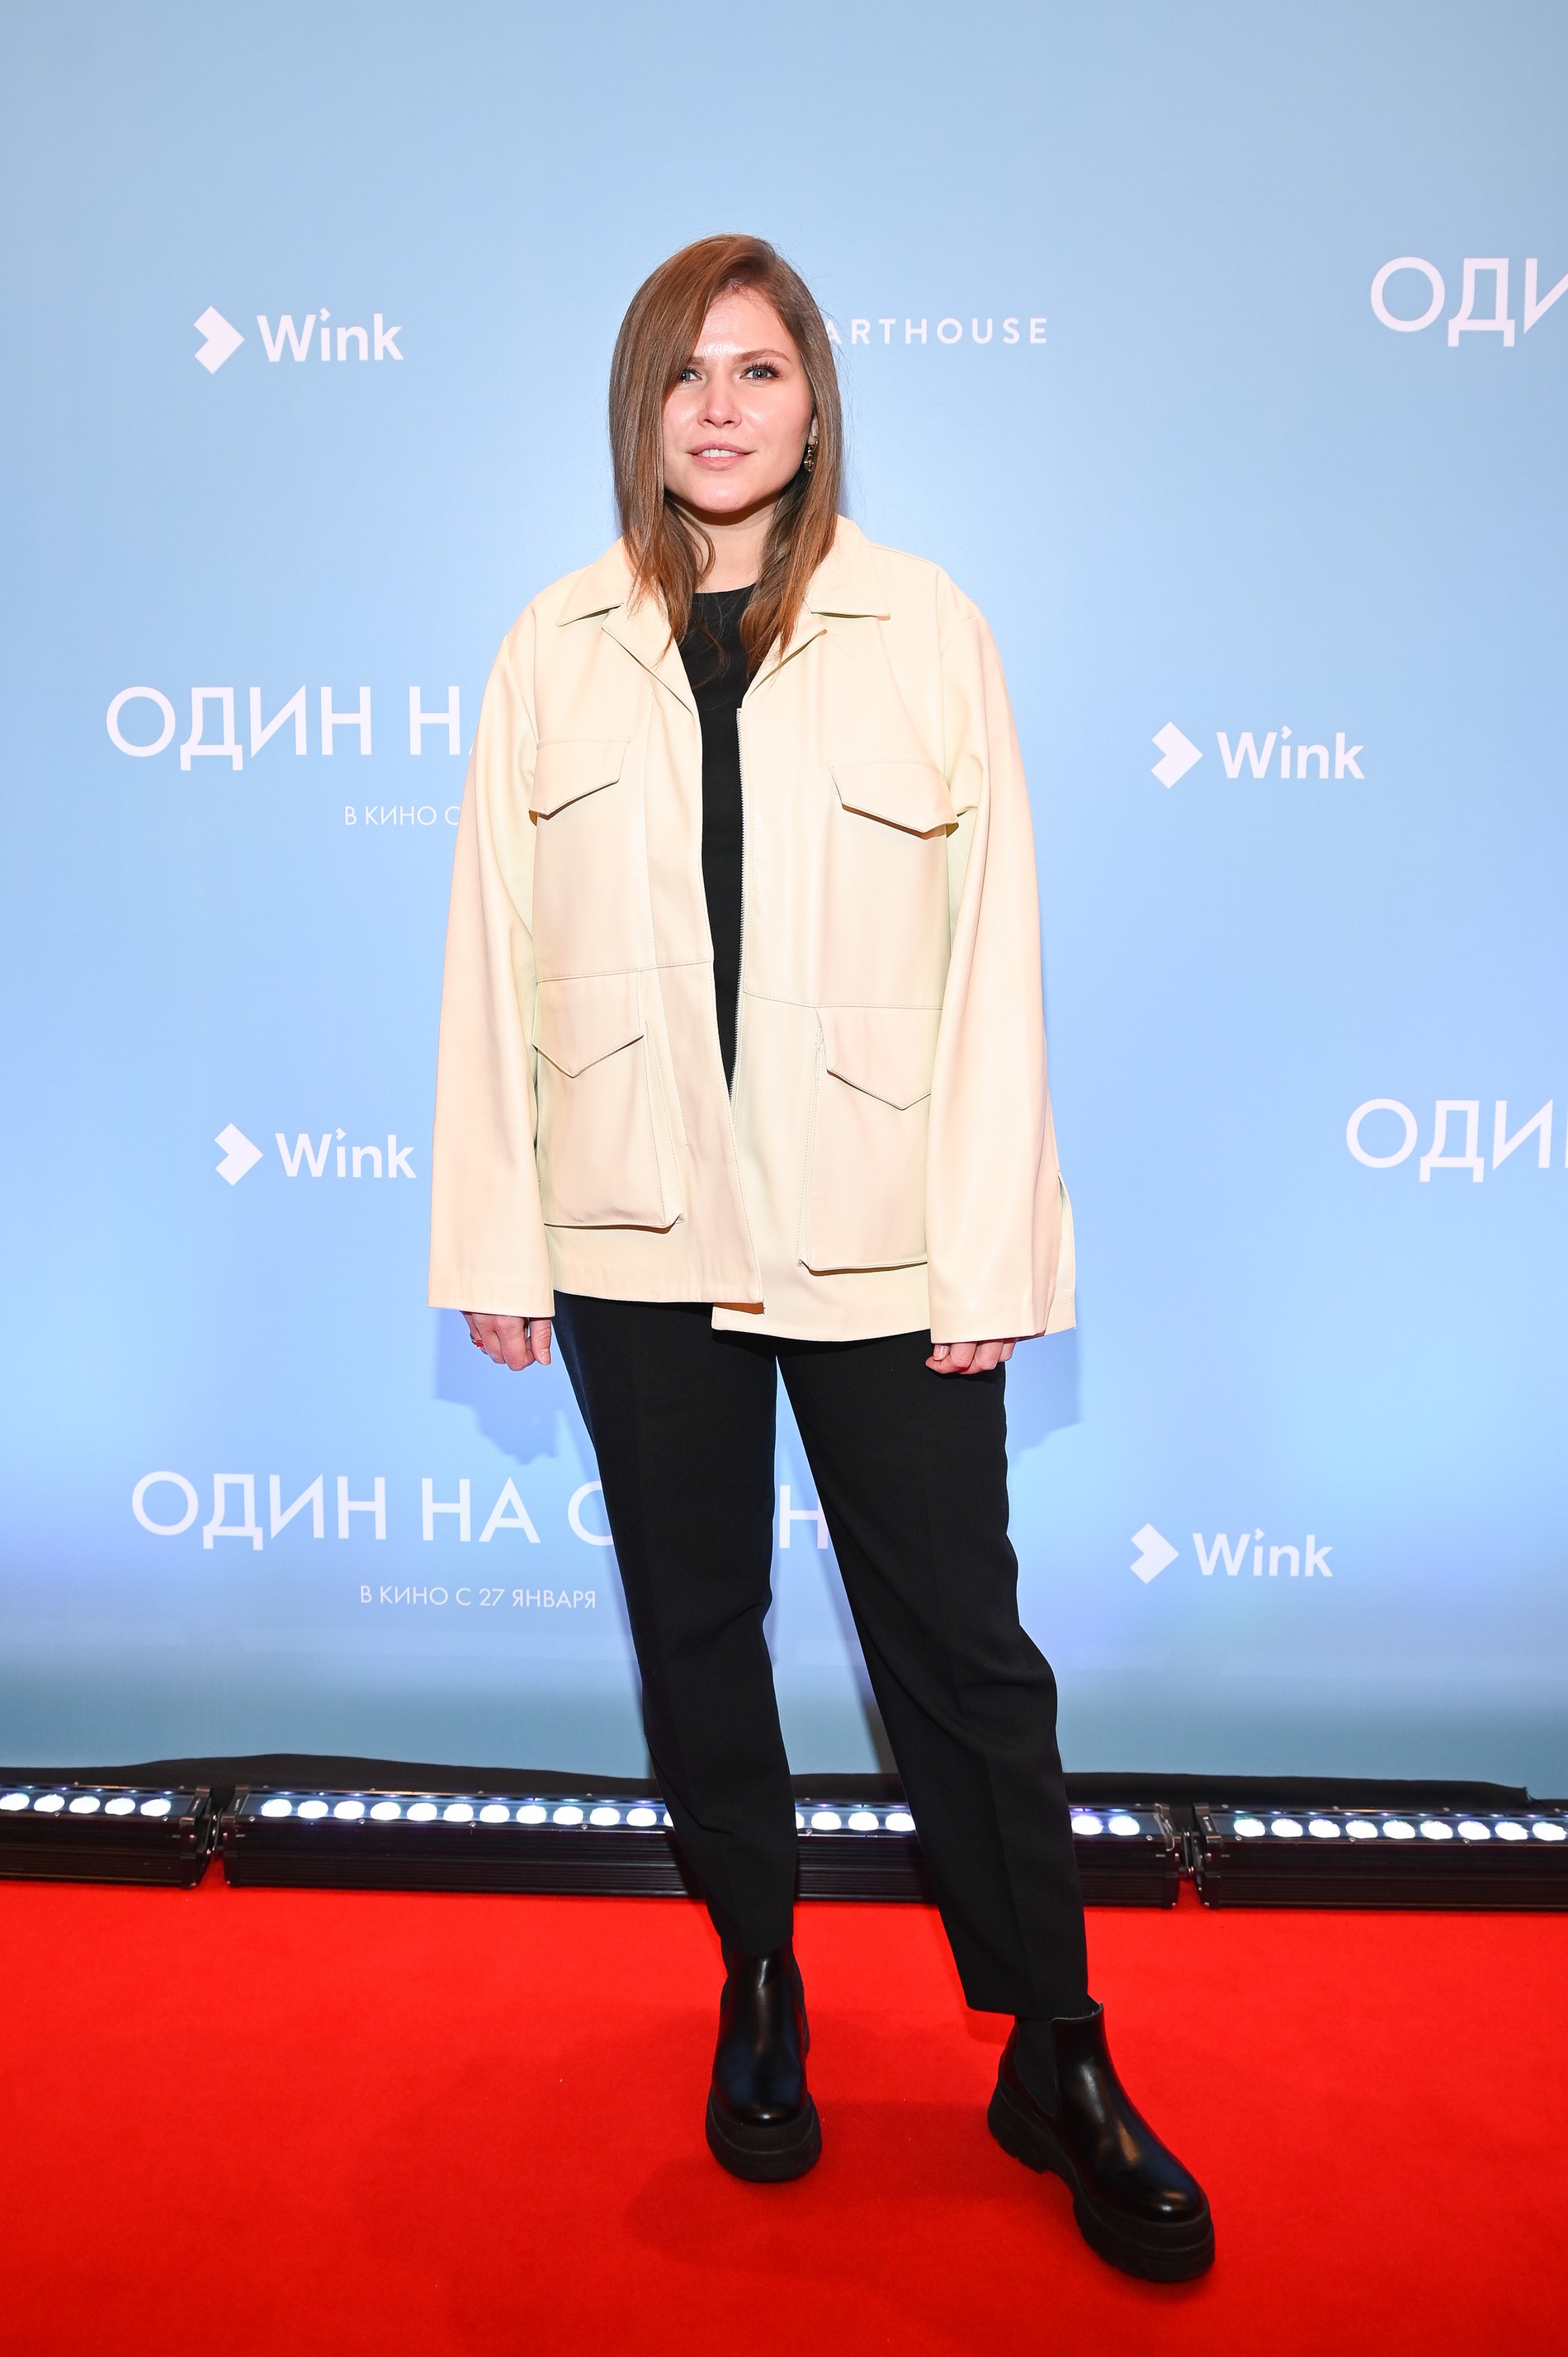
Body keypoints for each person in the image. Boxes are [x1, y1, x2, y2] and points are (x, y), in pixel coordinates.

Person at [429, 234, 1212, 2282]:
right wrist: (494, 1231)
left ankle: (1053, 2048)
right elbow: (487, 967)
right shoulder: (549, 647)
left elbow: (994, 960)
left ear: (812, 402)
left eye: (758, 369)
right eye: (683, 371)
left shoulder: (923, 625)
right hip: (633, 1223)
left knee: (961, 1649)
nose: (719, 406)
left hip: (877, 1231)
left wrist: (987, 1256)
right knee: (696, 1630)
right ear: (638, 403)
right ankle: (757, 1980)